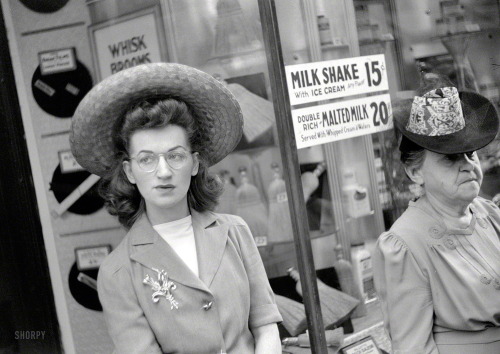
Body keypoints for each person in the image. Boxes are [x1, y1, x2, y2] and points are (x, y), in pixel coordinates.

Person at [70, 63, 282, 353]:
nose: (164, 172)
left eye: (175, 156)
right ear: (130, 172)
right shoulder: (118, 272)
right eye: (147, 159)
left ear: (194, 164)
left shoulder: (235, 233)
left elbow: (266, 327)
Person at [373, 82, 500, 354]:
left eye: (470, 153)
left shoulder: (489, 215)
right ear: (415, 172)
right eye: (450, 159)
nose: (467, 164)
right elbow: (413, 348)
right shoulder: (404, 244)